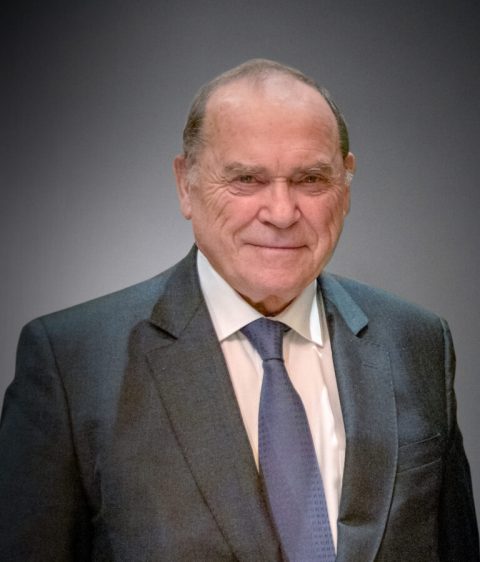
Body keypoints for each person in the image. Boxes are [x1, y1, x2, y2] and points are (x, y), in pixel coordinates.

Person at [0, 58, 478, 561]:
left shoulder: (417, 343)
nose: (281, 213)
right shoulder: (72, 366)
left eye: (311, 179)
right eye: (247, 179)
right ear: (185, 184)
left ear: (346, 184)